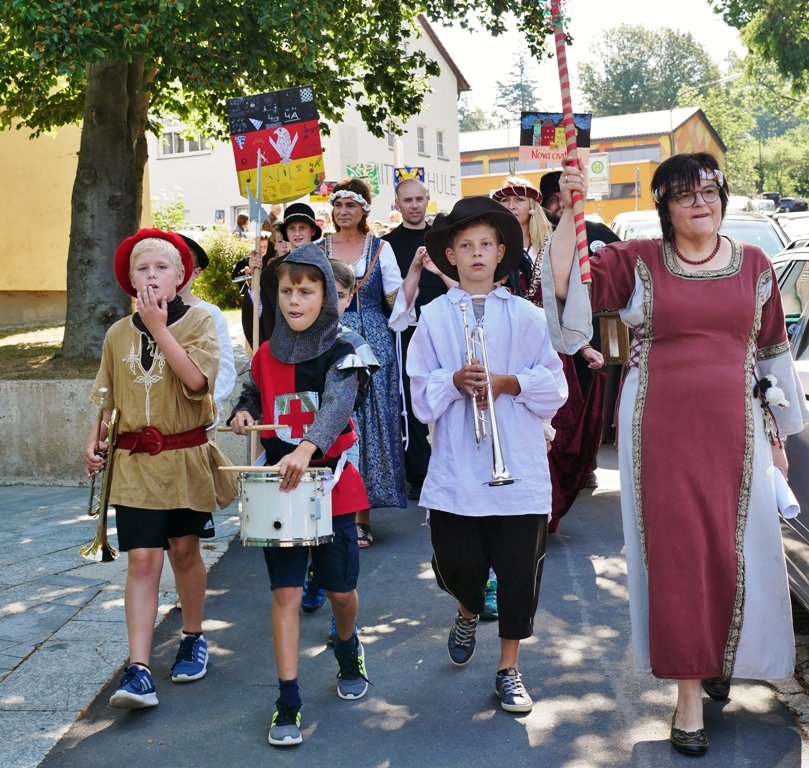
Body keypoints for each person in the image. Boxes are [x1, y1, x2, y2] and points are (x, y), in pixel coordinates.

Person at [546, 152, 809, 756]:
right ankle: (688, 694)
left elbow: (771, 356)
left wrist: (777, 438)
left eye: (709, 190)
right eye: (685, 193)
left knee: (734, 550)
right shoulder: (638, 260)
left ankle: (718, 655)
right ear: (664, 205)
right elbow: (564, 285)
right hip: (659, 432)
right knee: (678, 556)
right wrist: (569, 211)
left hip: (739, 431)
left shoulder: (755, 264)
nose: (700, 202)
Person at [405, 196, 567, 713]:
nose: (476, 253)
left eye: (486, 244)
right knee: (459, 563)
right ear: (450, 255)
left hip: (517, 464)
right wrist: (454, 381)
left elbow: (555, 387)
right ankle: (468, 609)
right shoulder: (433, 317)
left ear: (500, 253)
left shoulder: (527, 316)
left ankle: (509, 668)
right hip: (458, 465)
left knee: (519, 572)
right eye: (466, 245)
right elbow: (418, 393)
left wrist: (509, 382)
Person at [228, 244, 375, 747]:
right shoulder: (266, 353)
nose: (294, 301)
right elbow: (253, 391)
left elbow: (338, 405)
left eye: (306, 291)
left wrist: (307, 448)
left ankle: (347, 645)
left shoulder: (346, 346)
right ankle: (288, 698)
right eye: (287, 291)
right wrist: (244, 412)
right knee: (286, 593)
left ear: (325, 296)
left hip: (330, 484)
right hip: (281, 488)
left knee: (340, 592)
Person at [84, 228, 236, 710]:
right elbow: (108, 396)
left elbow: (197, 381)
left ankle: (192, 635)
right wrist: (94, 439)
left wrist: (159, 328)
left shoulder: (200, 320)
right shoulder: (116, 333)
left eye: (161, 267)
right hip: (134, 465)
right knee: (143, 560)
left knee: (185, 552)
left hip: (184, 461)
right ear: (130, 280)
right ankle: (139, 668)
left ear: (180, 277)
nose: (151, 276)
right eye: (142, 268)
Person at [493, 177, 606, 535]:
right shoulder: (495, 249)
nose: (512, 207)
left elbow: (564, 298)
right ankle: (515, 508)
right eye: (505, 202)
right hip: (508, 349)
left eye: (517, 200)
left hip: (550, 347)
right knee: (513, 431)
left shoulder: (551, 244)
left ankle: (545, 507)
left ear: (532, 207)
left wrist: (582, 344)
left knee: (559, 433)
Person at [320, 178, 416, 546]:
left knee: (370, 425)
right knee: (335, 419)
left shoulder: (381, 248)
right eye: (338, 205)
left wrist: (415, 273)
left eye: (351, 205)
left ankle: (361, 515)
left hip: (372, 341)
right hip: (329, 338)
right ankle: (330, 510)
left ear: (364, 210)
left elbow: (395, 300)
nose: (343, 212)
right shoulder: (318, 248)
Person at [383, 178, 452, 502]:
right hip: (407, 330)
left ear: (427, 199)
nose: (414, 205)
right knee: (413, 399)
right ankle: (419, 472)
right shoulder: (387, 245)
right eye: (407, 200)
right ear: (397, 204)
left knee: (448, 393)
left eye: (418, 199)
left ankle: (448, 464)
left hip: (445, 327)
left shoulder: (444, 239)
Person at [241, 204, 322, 349]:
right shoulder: (274, 270)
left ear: (312, 230)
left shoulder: (324, 265)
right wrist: (255, 278)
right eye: (292, 228)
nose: (297, 233)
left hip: (317, 340)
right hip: (284, 343)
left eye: (303, 228)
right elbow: (260, 306)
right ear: (286, 232)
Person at [177, 235, 237, 423]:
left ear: (196, 273)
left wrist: (203, 403)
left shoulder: (210, 313)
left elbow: (224, 369)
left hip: (197, 416)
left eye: (184, 264)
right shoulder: (148, 314)